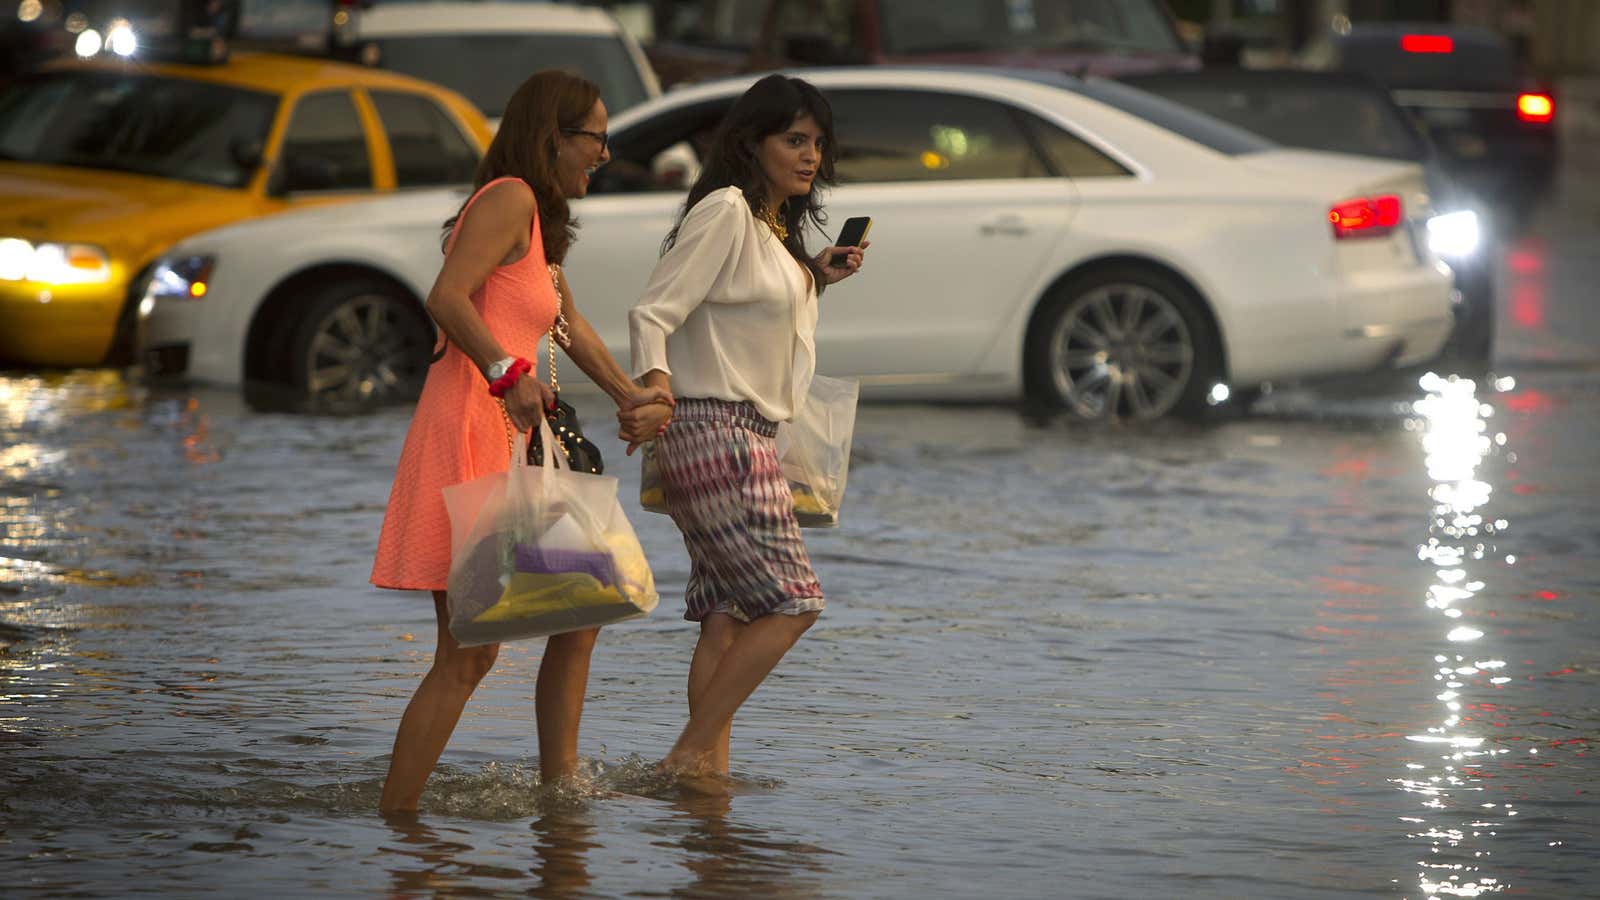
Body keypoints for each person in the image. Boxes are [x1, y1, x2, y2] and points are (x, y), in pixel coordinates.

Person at [371, 69, 673, 814]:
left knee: (584, 606)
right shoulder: (509, 198)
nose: (604, 152)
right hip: (475, 431)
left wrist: (633, 397)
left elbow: (567, 328)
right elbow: (445, 297)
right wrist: (507, 372)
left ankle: (558, 791)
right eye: (594, 137)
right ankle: (399, 823)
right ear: (554, 137)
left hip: (520, 438)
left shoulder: (540, 225)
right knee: (469, 655)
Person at [627, 73, 867, 777]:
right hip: (715, 434)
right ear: (749, 142)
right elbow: (653, 313)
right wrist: (659, 389)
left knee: (727, 615)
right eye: (794, 140)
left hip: (746, 436)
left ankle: (708, 784)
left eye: (818, 143)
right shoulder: (727, 209)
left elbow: (747, 314)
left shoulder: (771, 229)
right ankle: (685, 758)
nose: (811, 156)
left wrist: (814, 277)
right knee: (794, 604)